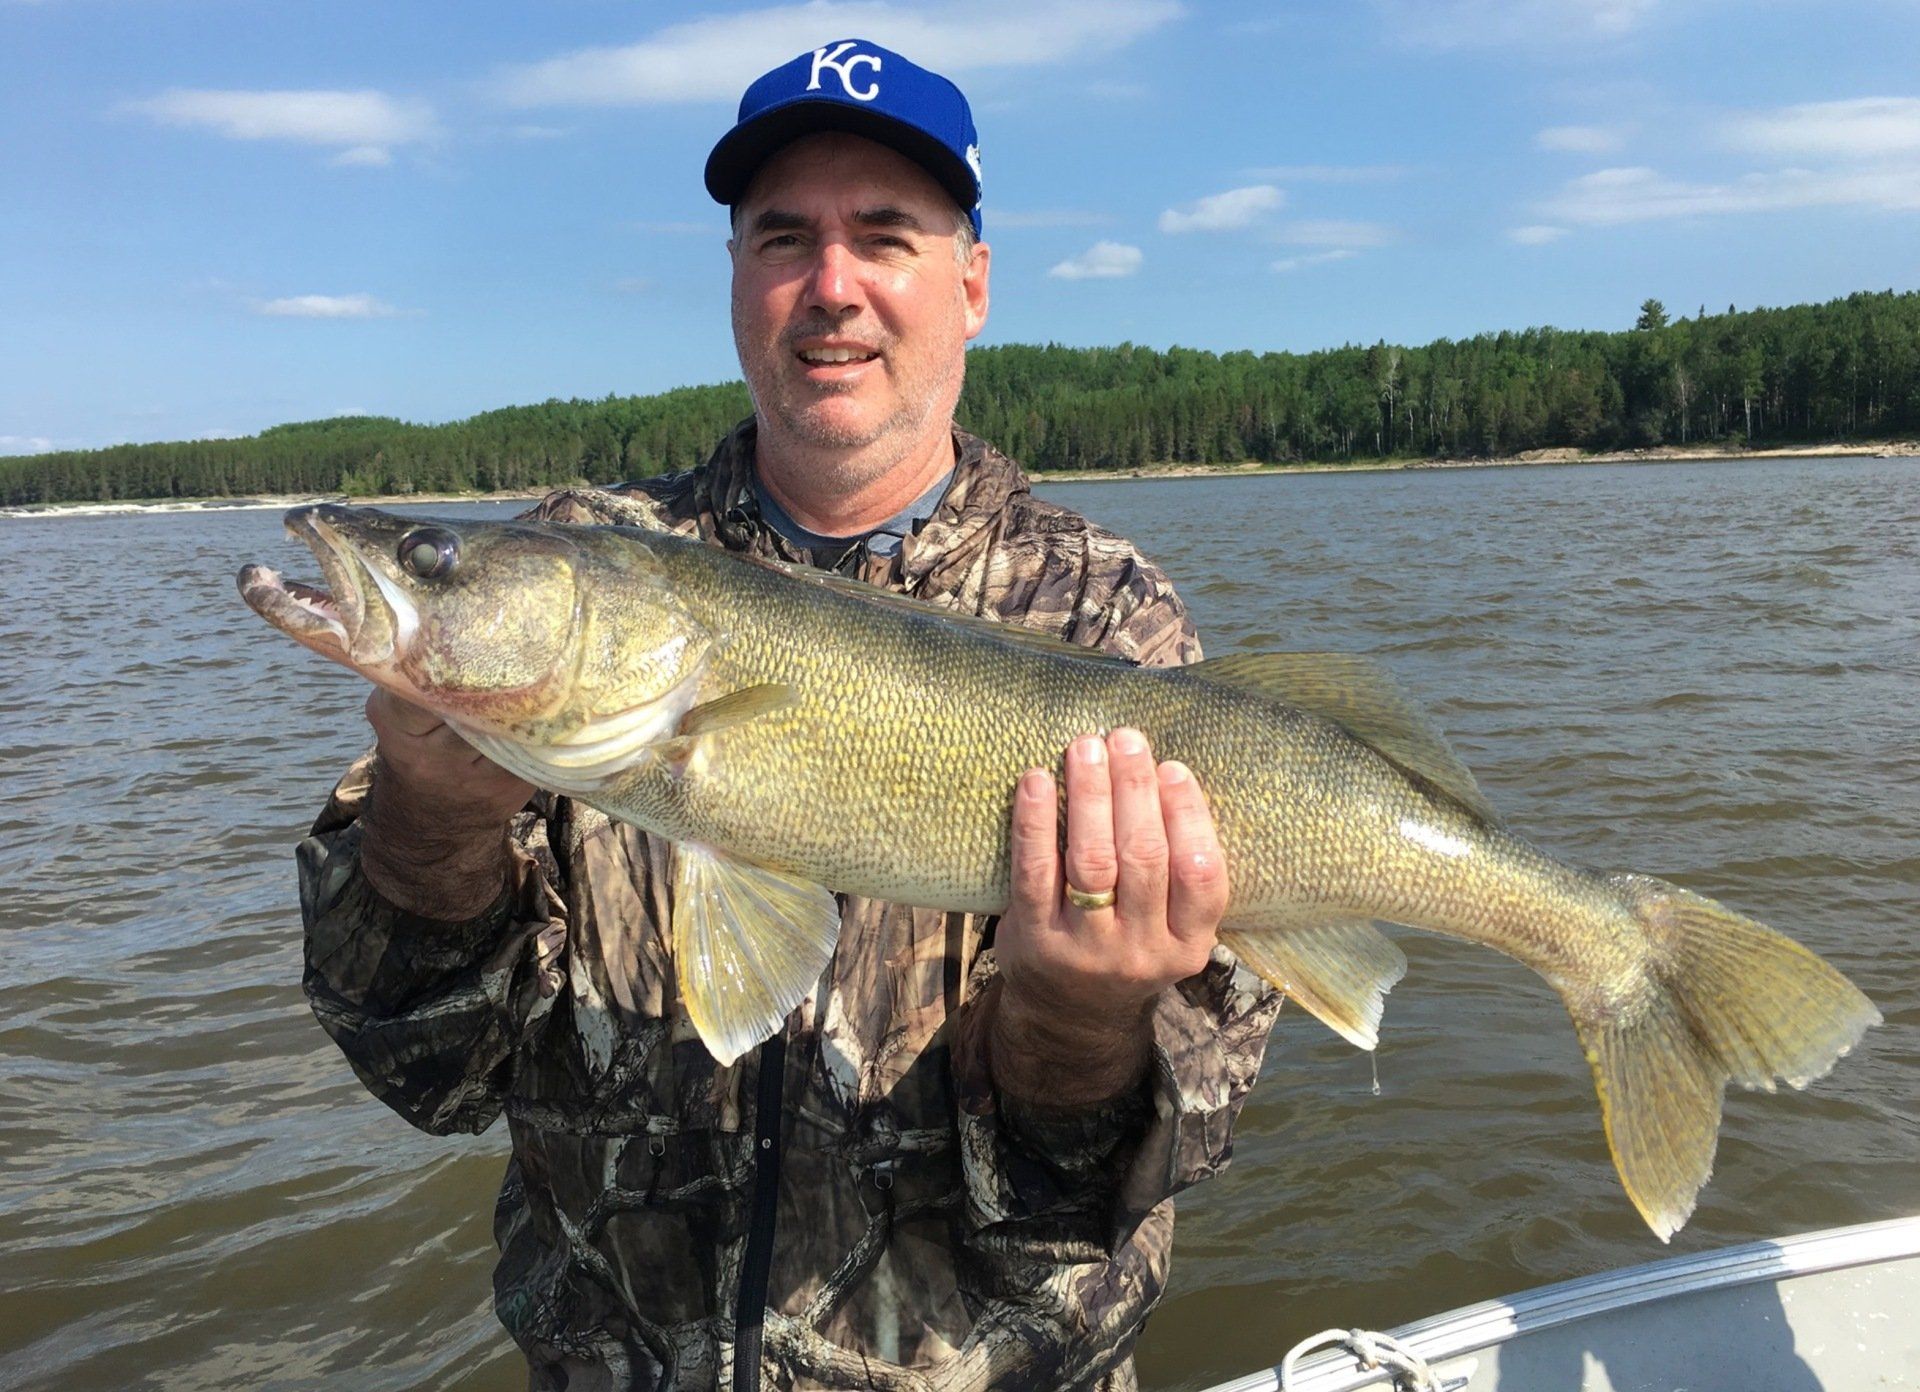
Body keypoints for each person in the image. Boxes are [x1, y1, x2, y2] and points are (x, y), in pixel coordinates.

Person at [299, 39, 1282, 1392]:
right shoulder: (589, 561)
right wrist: (429, 823)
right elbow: (429, 1075)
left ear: (973, 284)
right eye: (782, 238)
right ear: (737, 280)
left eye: (885, 236)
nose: (831, 287)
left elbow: (1125, 1173)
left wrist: (1077, 1023)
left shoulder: (1108, 619)